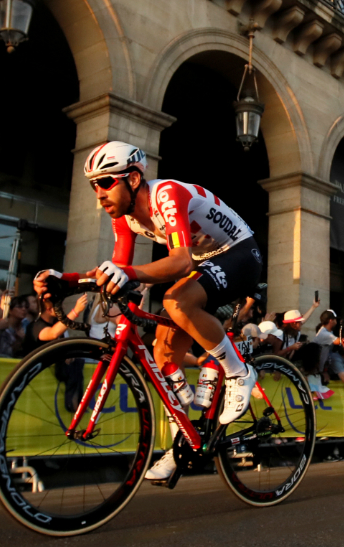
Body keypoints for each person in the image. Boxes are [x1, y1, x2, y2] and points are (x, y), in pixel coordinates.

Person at [34, 142, 264, 482]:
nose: (99, 193)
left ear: (134, 178)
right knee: (162, 352)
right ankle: (185, 441)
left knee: (175, 300)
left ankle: (239, 372)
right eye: (94, 185)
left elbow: (180, 261)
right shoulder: (125, 218)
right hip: (205, 263)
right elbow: (119, 268)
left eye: (106, 182)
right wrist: (66, 281)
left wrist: (127, 274)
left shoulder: (165, 195)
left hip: (240, 253)